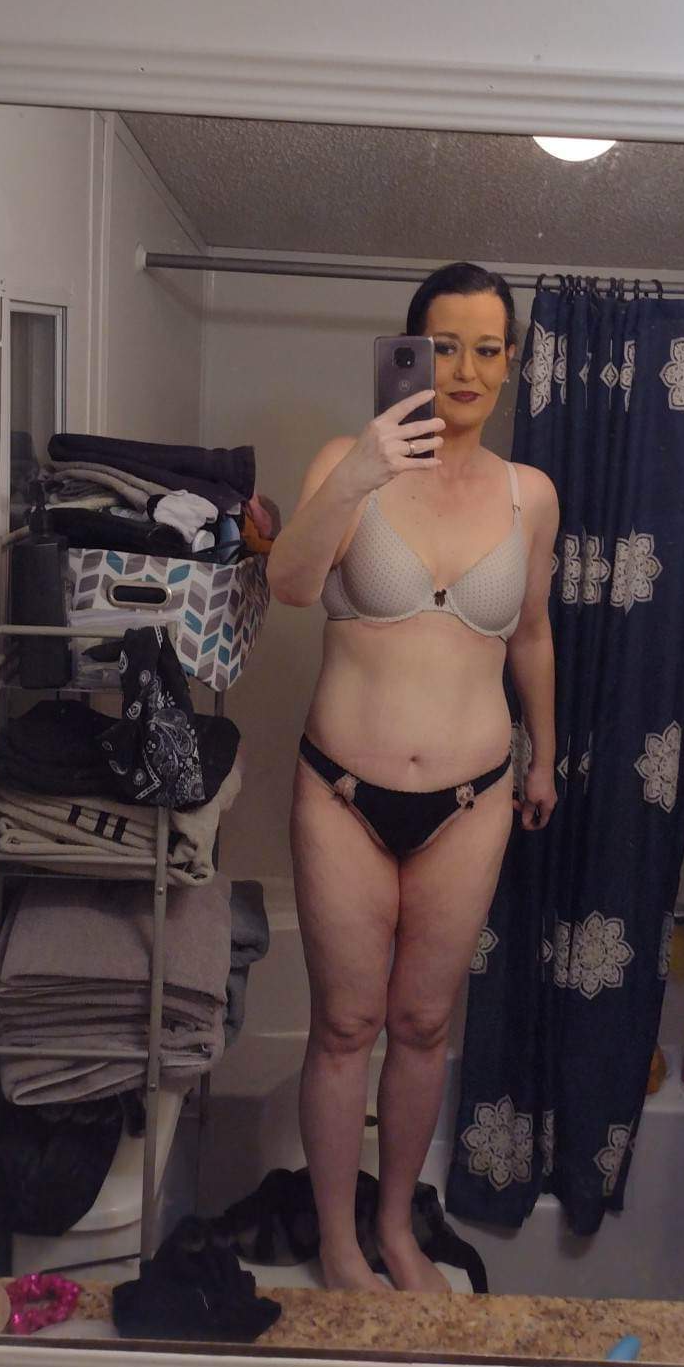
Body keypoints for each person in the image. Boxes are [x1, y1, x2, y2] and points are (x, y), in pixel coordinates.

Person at [267, 262, 558, 1292]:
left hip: (473, 800)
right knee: (346, 1025)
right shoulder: (349, 461)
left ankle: (396, 1227)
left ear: (511, 362)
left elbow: (531, 633)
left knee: (425, 1026)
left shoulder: (530, 495)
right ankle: (338, 1243)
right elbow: (290, 585)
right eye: (443, 345)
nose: (464, 369)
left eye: (486, 348)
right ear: (409, 351)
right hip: (342, 794)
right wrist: (358, 473)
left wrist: (546, 756)